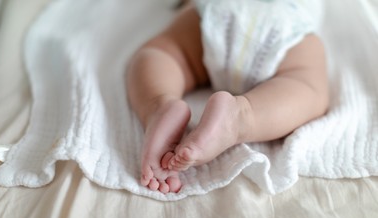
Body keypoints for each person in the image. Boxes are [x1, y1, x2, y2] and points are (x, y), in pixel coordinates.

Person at [125, 0, 329, 194]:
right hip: (288, 21)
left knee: (160, 55)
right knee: (308, 88)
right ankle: (241, 117)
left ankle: (159, 104)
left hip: (215, 11)